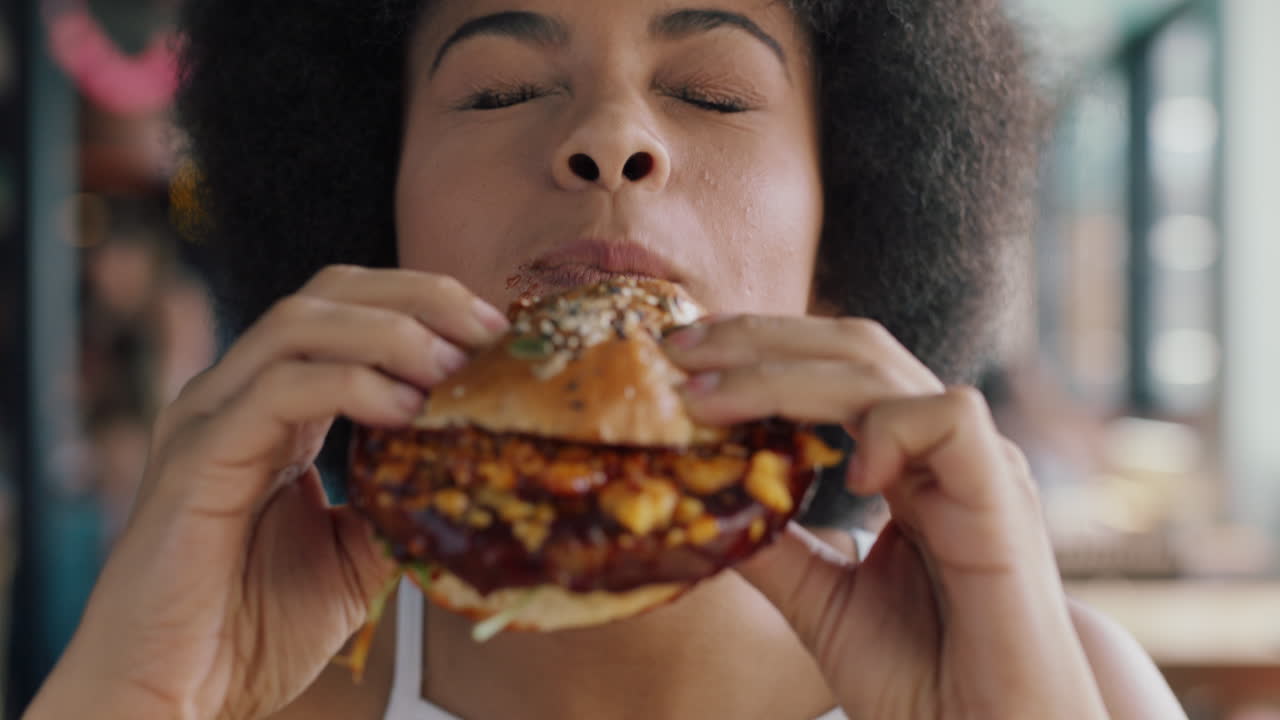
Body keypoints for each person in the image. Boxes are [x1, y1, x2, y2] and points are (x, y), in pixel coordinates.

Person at [25, 0, 1188, 718]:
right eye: (500, 90)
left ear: (848, 236)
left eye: (709, 93)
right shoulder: (234, 699)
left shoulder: (1065, 690)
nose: (610, 140)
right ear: (369, 226)